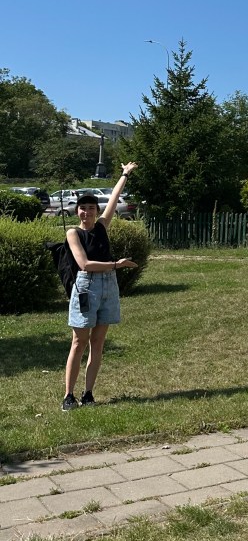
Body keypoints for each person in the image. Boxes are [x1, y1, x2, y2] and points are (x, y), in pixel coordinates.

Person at [61, 163, 138, 411]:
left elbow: (114, 198)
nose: (87, 212)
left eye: (91, 208)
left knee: (98, 343)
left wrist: (125, 174)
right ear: (77, 212)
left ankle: (88, 393)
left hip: (107, 286)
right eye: (83, 208)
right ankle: (68, 396)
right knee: (78, 342)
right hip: (86, 287)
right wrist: (117, 264)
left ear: (97, 211)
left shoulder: (103, 226)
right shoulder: (74, 233)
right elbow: (83, 264)